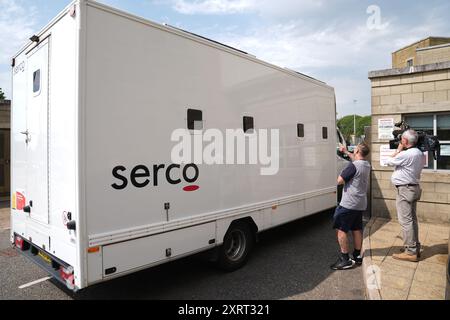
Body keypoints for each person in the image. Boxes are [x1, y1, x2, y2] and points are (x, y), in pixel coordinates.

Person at [331, 143, 371, 270]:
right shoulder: (366, 164)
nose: (353, 150)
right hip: (360, 203)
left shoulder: (353, 166)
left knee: (340, 229)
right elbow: (356, 160)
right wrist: (346, 152)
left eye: (355, 149)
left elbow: (339, 181)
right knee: (356, 229)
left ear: (358, 150)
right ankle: (357, 255)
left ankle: (345, 259)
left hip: (348, 204)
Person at [386, 129, 424, 262]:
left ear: (405, 141)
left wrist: (398, 149)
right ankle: (414, 246)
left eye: (402, 139)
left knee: (405, 221)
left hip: (405, 190)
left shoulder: (406, 154)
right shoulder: (419, 153)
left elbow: (388, 161)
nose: (400, 140)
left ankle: (411, 252)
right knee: (412, 220)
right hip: (413, 188)